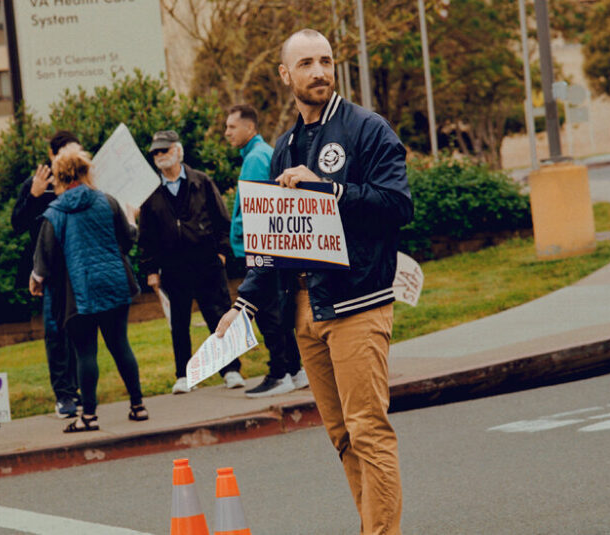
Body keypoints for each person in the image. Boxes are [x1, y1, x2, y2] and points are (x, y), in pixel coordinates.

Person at [216, 29, 413, 535]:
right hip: (305, 311)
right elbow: (274, 243)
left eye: (325, 61)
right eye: (305, 63)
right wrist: (243, 307)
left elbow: (397, 206)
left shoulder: (368, 129)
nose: (319, 71)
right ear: (286, 75)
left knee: (368, 432)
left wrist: (327, 189)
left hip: (358, 305)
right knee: (343, 437)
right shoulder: (283, 148)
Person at [30, 146, 147, 432]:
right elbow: (128, 239)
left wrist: (36, 278)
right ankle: (138, 406)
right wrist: (133, 218)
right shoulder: (107, 201)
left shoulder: (55, 213)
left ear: (59, 177)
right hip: (114, 282)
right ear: (86, 171)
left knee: (85, 354)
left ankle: (89, 417)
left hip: (78, 292)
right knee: (121, 346)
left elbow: (44, 257)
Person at [138, 130, 245, 394]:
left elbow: (221, 220)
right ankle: (184, 375)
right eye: (155, 152)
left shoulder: (201, 181)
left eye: (164, 150)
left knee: (218, 316)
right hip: (174, 267)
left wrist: (221, 253)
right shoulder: (150, 193)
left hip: (207, 263)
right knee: (179, 324)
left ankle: (231, 370)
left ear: (177, 150)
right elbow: (146, 236)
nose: (159, 156)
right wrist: (151, 269)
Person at [224, 104, 308, 398]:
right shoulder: (256, 155)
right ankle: (295, 371)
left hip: (259, 249)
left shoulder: (257, 157)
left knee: (266, 312)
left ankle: (280, 373)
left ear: (250, 128)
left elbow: (260, 208)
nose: (227, 133)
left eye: (232, 127)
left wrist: (255, 249)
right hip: (262, 248)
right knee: (276, 308)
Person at [12, 131, 82, 418]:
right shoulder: (37, 182)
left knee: (80, 330)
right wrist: (33, 196)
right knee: (55, 332)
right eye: (65, 154)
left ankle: (79, 390)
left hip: (78, 266)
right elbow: (17, 224)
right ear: (53, 155)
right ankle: (64, 395)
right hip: (50, 270)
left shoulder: (82, 183)